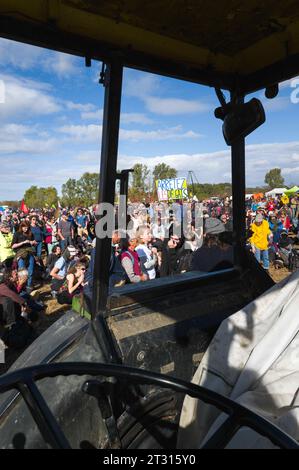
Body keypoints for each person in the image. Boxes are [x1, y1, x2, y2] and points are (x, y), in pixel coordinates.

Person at [12, 222, 37, 292]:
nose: (26, 229)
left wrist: (33, 242)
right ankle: (21, 287)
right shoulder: (17, 234)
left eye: (27, 227)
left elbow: (34, 243)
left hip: (30, 253)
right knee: (22, 272)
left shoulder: (30, 233)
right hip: (21, 254)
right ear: (21, 227)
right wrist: (23, 242)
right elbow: (13, 246)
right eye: (24, 227)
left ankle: (29, 286)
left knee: (30, 271)